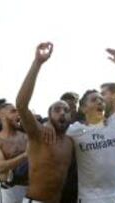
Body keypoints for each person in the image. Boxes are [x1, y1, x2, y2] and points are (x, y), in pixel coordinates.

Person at [67, 49, 115, 203]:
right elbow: (54, 130)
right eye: (94, 100)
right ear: (83, 108)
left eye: (101, 99)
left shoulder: (113, 123)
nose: (100, 102)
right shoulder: (74, 130)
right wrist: (47, 125)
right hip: (88, 199)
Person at [16, 42, 74, 203]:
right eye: (57, 110)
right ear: (49, 116)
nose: (62, 112)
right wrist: (37, 63)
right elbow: (21, 105)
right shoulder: (39, 134)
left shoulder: (71, 141)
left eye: (66, 110)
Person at [0, 103, 28, 203]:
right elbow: (0, 166)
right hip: (9, 191)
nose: (18, 114)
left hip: (30, 188)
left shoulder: (26, 137)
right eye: (13, 111)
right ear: (2, 115)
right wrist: (25, 155)